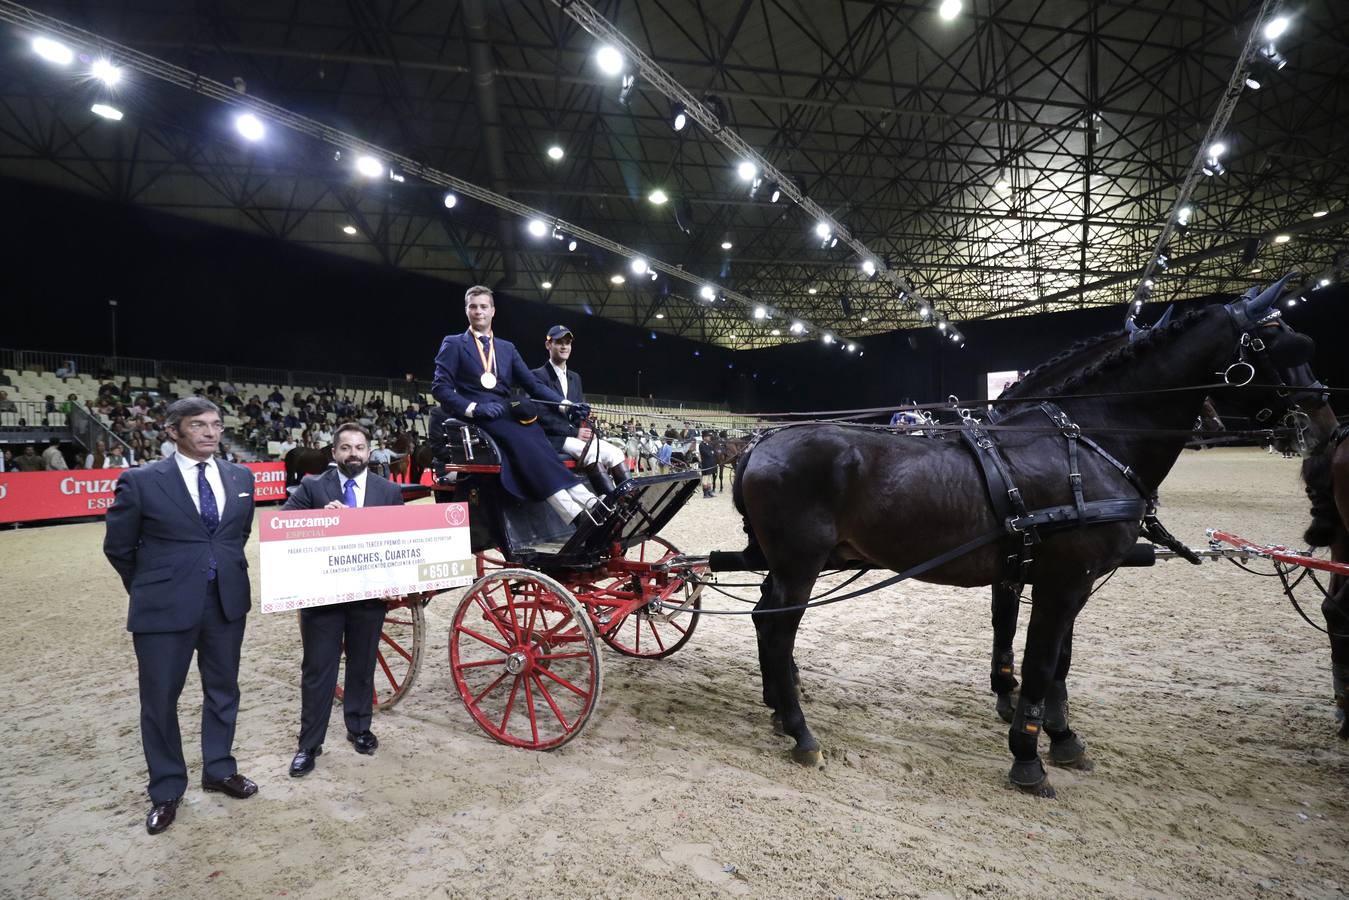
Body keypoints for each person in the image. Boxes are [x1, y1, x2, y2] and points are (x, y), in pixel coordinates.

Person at [102, 397, 259, 835]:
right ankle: (168, 789)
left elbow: (235, 536)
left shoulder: (239, 476)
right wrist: (153, 586)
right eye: (199, 425)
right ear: (173, 431)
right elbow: (118, 547)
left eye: (216, 424)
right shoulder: (141, 481)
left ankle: (219, 768)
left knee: (223, 690)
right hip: (163, 607)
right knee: (159, 700)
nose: (211, 432)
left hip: (226, 601)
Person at [283, 423, 404, 777]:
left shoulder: (388, 491)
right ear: (334, 453)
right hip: (324, 595)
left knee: (363, 664)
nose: (354, 454)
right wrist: (320, 518)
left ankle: (359, 727)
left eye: (360, 447)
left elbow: (402, 543)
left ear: (370, 451)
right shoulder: (312, 487)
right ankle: (309, 745)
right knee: (318, 669)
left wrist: (399, 582)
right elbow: (282, 526)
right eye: (346, 448)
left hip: (370, 595)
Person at [432, 285, 596, 523]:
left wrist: (566, 404)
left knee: (540, 441)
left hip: (506, 411)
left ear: (493, 311)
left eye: (484, 306)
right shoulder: (454, 343)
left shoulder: (507, 348)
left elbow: (534, 385)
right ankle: (575, 512)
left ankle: (588, 501)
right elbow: (440, 388)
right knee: (526, 443)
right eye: (473, 307)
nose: (479, 311)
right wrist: (473, 408)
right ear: (467, 310)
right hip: (478, 415)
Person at [531, 324, 630, 494]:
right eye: (559, 342)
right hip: (554, 439)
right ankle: (611, 504)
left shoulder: (575, 378)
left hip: (574, 437)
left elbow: (578, 414)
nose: (564, 346)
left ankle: (629, 498)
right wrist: (573, 431)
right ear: (548, 345)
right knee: (592, 453)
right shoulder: (537, 376)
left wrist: (585, 425)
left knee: (616, 453)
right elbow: (541, 415)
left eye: (567, 342)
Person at [698, 431, 718, 498]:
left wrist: (712, 453)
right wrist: (711, 453)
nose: (709, 437)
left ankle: (709, 492)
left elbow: (713, 452)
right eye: (708, 436)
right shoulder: (701, 445)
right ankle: (705, 493)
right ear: (704, 437)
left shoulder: (709, 444)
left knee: (709, 478)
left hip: (711, 463)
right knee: (705, 478)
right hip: (706, 464)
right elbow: (707, 454)